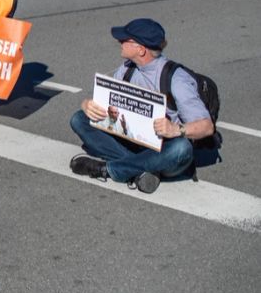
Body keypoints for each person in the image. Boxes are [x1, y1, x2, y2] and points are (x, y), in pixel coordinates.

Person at [69, 18, 214, 194]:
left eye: (125, 40)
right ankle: (142, 170)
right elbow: (106, 103)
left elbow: (206, 127)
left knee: (181, 148)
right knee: (79, 119)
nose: (119, 42)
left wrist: (176, 130)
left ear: (141, 49)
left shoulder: (176, 79)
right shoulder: (128, 68)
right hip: (133, 140)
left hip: (164, 147)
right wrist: (87, 105)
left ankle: (109, 170)